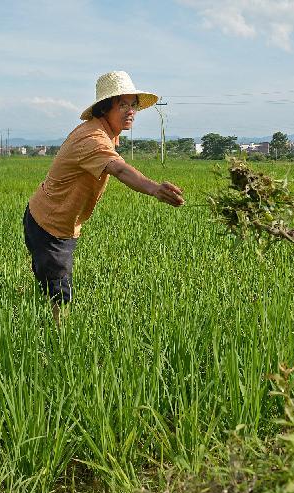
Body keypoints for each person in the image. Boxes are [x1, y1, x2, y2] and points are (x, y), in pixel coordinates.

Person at [23, 71, 185, 323]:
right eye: (122, 105)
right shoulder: (92, 138)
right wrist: (154, 189)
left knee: (48, 279)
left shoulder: (104, 132)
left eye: (133, 105)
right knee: (59, 291)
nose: (130, 111)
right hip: (50, 224)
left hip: (53, 217)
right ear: (104, 108)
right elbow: (119, 169)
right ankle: (58, 341)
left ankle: (42, 317)